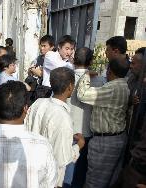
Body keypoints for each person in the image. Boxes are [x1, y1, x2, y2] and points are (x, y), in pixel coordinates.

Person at [25, 67, 85, 187]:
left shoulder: (38, 103)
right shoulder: (63, 118)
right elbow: (62, 158)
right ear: (70, 87)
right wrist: (79, 146)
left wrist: (67, 136)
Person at [77, 58, 130, 188]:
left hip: (105, 142)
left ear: (109, 71)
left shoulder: (112, 88)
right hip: (117, 137)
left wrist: (86, 75)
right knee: (109, 181)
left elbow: (83, 95)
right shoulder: (125, 85)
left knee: (95, 182)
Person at [65, 47, 104, 188]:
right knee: (79, 175)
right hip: (86, 132)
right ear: (91, 61)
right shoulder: (99, 81)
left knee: (65, 173)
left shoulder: (65, 77)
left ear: (74, 60)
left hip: (67, 131)